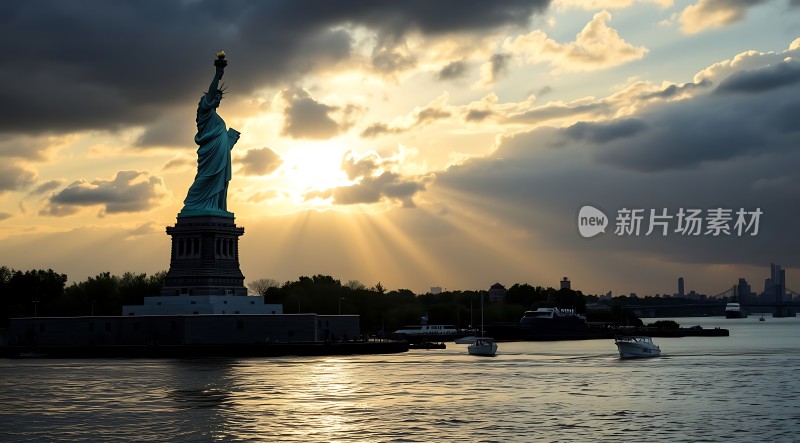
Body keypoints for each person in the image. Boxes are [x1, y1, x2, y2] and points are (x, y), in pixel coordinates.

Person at [180, 53, 240, 216]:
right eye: (215, 98)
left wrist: (230, 140)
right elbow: (211, 92)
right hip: (210, 153)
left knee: (219, 179)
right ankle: (194, 205)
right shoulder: (204, 112)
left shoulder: (216, 117)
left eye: (219, 99)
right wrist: (218, 74)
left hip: (220, 153)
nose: (217, 101)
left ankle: (215, 207)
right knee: (205, 178)